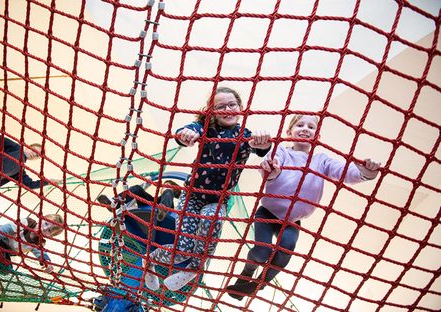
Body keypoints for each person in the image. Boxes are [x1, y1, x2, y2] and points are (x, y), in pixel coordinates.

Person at [225, 114, 381, 300]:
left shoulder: (321, 160)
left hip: (292, 221)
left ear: (317, 136)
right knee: (262, 251)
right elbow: (269, 166)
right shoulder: (282, 151)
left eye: (311, 127)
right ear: (289, 132)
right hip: (268, 213)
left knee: (284, 255)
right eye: (300, 125)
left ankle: (259, 285)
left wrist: (365, 173)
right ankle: (247, 273)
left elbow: (345, 173)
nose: (306, 128)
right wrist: (271, 170)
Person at [143, 87, 272, 291]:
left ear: (240, 107)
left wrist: (264, 141)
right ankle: (148, 263)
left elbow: (261, 149)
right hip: (192, 196)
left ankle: (194, 269)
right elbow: (188, 131)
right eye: (221, 107)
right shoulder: (205, 128)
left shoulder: (245, 136)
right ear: (212, 112)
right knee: (182, 252)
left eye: (232, 104)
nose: (228, 109)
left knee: (212, 218)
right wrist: (185, 134)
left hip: (217, 200)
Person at [0, 120, 59, 193]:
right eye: (34, 150)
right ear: (29, 147)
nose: (34, 154)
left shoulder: (20, 171)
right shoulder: (16, 148)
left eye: (37, 155)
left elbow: (30, 185)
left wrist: (47, 182)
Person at [0, 214, 64, 273]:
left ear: (50, 236)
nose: (44, 228)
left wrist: (47, 262)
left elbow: (40, 252)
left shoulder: (39, 242)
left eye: (49, 230)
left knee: (6, 269)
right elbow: (6, 229)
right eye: (46, 223)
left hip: (3, 250)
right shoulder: (27, 223)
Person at [96, 180, 182, 221]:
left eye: (167, 185)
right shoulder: (158, 197)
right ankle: (114, 204)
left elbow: (179, 195)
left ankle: (163, 210)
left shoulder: (169, 194)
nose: (164, 186)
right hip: (151, 206)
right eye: (163, 185)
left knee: (168, 192)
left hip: (166, 210)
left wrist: (169, 189)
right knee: (137, 189)